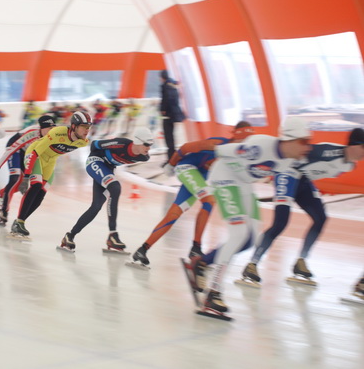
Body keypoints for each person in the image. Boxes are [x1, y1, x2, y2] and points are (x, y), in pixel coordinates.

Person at [184, 117, 311, 318]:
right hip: (224, 178)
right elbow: (221, 151)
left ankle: (200, 263)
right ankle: (213, 294)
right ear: (289, 140)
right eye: (304, 142)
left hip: (243, 184)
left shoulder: (289, 161)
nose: (307, 147)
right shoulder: (259, 147)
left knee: (250, 240)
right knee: (239, 234)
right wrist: (192, 157)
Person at [241, 127, 364, 286]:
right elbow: (294, 154)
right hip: (287, 173)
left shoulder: (350, 165)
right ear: (353, 145)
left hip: (303, 181)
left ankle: (301, 262)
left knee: (320, 218)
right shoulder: (328, 151)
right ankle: (252, 264)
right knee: (281, 223)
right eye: (363, 147)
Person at [130, 121, 254, 268]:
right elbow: (186, 147)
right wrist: (171, 163)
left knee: (174, 214)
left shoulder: (237, 156)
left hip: (200, 175)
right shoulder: (218, 144)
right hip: (187, 167)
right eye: (244, 139)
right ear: (237, 137)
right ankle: (196, 248)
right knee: (209, 201)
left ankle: (142, 249)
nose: (245, 144)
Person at [59, 127, 154, 253]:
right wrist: (95, 159)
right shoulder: (120, 144)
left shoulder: (144, 157)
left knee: (96, 206)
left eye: (151, 144)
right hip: (96, 161)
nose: (149, 148)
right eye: (146, 144)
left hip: (108, 169)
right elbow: (94, 145)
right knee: (115, 187)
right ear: (137, 141)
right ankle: (113, 235)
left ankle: (69, 236)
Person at [9, 111, 92, 238]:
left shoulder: (83, 142)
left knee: (41, 194)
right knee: (36, 186)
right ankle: (20, 222)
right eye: (84, 127)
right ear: (74, 126)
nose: (87, 130)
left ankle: (19, 222)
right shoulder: (57, 133)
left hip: (50, 161)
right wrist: (26, 176)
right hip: (35, 155)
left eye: (88, 127)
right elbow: (36, 151)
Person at [0, 115, 57, 225]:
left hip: (28, 152)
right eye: (48, 129)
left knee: (21, 184)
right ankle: (4, 211)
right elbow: (12, 149)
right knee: (15, 178)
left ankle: (0, 195)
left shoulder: (52, 136)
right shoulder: (32, 133)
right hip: (15, 147)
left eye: (53, 129)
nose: (51, 132)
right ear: (41, 128)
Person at [160, 70, 186, 161]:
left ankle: (171, 159)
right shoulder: (174, 85)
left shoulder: (165, 86)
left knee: (169, 138)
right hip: (175, 114)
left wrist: (163, 110)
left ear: (162, 77)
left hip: (168, 116)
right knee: (172, 138)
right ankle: (173, 157)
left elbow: (166, 100)